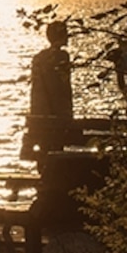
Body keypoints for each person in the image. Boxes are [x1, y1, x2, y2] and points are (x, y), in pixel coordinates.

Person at [22, 17, 75, 158]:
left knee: (45, 143)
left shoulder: (38, 58)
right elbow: (64, 86)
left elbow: (36, 89)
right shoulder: (63, 56)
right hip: (58, 112)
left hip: (41, 112)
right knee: (57, 144)